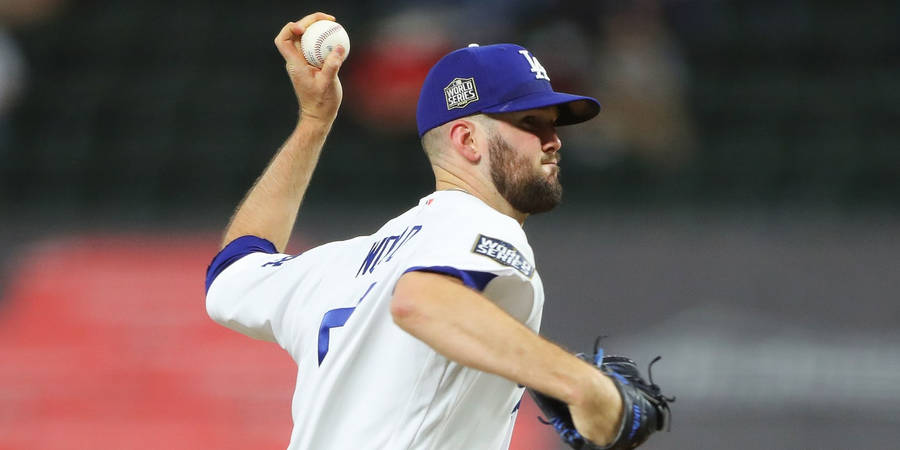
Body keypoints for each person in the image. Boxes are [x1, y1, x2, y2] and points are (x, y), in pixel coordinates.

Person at [205, 12, 623, 450]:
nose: (553, 140)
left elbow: (233, 269)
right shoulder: (478, 223)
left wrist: (313, 122)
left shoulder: (341, 264)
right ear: (467, 141)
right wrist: (581, 385)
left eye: (553, 124)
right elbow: (420, 301)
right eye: (529, 124)